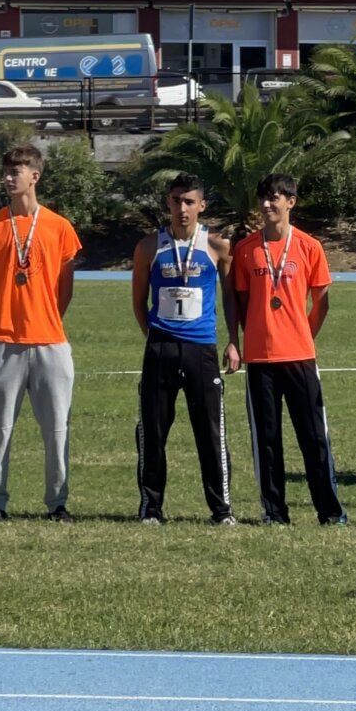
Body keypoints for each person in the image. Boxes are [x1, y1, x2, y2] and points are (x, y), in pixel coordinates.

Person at [0, 143, 81, 521]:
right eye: (5, 171)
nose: (8, 178)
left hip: (51, 343)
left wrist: (44, 318)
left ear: (35, 176)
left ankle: (58, 503)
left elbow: (65, 289)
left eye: (15, 172)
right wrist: (5, 319)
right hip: (3, 343)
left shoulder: (59, 227)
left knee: (57, 430)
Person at [229, 172, 344, 526]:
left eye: (275, 197)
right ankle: (274, 513)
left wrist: (302, 335)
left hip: (300, 357)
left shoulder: (310, 246)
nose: (267, 204)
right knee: (266, 440)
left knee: (313, 437)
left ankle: (329, 511)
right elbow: (244, 302)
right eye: (263, 197)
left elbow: (321, 302)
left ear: (290, 202)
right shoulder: (247, 248)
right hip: (261, 359)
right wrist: (254, 337)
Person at [130, 174, 237, 525]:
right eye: (176, 201)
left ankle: (221, 511)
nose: (182, 209)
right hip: (161, 347)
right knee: (154, 429)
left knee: (210, 430)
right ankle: (151, 507)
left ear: (202, 206)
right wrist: (155, 335)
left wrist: (233, 341)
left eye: (189, 202)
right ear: (168, 203)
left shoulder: (217, 245)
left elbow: (231, 299)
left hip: (202, 348)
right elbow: (138, 300)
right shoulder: (150, 246)